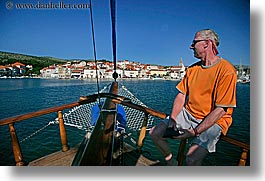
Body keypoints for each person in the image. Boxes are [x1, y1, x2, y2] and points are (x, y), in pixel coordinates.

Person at [149, 29, 237, 166]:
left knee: (191, 159)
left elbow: (221, 110)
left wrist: (194, 132)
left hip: (216, 119)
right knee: (155, 133)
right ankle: (171, 162)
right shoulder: (192, 69)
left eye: (194, 42)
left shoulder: (227, 71)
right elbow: (181, 95)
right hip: (189, 113)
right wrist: (172, 119)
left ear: (207, 44)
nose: (191, 46)